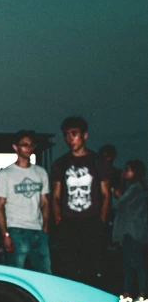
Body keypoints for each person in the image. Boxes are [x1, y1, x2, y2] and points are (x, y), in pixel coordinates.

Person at [51, 116, 111, 286]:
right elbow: (55, 196)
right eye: (67, 135)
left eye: (74, 134)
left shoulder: (98, 161)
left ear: (85, 135)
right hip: (68, 223)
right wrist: (59, 220)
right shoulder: (60, 164)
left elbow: (106, 194)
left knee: (91, 267)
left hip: (91, 221)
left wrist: (101, 221)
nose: (70, 139)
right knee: (68, 267)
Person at [0, 130, 51, 273]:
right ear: (16, 147)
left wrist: (45, 228)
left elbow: (44, 203)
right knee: (17, 274)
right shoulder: (5, 174)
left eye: (31, 145)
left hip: (37, 230)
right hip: (16, 230)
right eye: (24, 145)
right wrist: (5, 235)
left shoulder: (40, 172)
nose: (28, 148)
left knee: (46, 273)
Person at [112, 160, 147, 302]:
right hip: (132, 232)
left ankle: (142, 293)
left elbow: (119, 205)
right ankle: (129, 293)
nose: (124, 172)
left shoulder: (135, 189)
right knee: (129, 262)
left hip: (133, 232)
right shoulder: (136, 188)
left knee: (135, 262)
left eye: (128, 170)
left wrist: (116, 194)